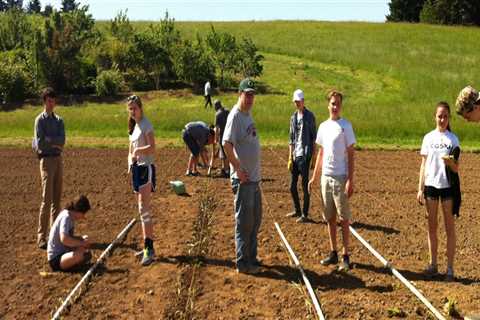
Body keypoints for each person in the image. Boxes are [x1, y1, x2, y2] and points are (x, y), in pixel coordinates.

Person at [308, 90, 355, 272]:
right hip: (325, 177)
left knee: (343, 218)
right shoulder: (323, 127)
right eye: (333, 103)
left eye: (338, 104)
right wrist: (315, 176)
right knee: (329, 217)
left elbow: (351, 154)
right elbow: (321, 152)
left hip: (340, 177)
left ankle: (345, 255)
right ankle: (333, 251)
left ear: (340, 106)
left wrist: (351, 180)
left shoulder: (346, 126)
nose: (335, 107)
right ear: (328, 105)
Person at [416, 102, 460, 282]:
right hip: (431, 186)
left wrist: (451, 163)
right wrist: (420, 188)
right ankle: (433, 264)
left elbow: (456, 168)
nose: (442, 119)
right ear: (435, 117)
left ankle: (450, 269)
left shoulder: (453, 139)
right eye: (439, 116)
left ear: (449, 118)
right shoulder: (428, 138)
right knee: (431, 227)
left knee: (449, 228)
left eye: (445, 116)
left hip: (447, 186)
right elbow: (423, 164)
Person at [223, 78, 262, 274]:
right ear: (240, 94)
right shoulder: (235, 116)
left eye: (252, 95)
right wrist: (237, 168)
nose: (250, 98)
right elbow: (226, 143)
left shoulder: (247, 115)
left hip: (254, 179)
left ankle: (252, 258)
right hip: (244, 180)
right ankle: (243, 262)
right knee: (244, 222)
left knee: (255, 220)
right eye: (247, 95)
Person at [33, 87, 65, 250]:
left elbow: (63, 141)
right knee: (47, 199)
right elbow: (40, 144)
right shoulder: (40, 120)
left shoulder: (59, 121)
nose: (52, 103)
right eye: (49, 100)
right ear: (44, 101)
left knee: (57, 200)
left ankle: (54, 233)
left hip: (58, 160)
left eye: (54, 100)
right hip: (46, 162)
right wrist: (54, 142)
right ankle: (41, 236)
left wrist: (51, 140)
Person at [127, 95, 156, 266]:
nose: (132, 111)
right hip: (137, 169)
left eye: (134, 108)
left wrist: (138, 150)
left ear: (140, 108)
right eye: (130, 109)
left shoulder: (146, 124)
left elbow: (152, 147)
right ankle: (147, 245)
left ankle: (149, 249)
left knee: (144, 208)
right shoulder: (133, 126)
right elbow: (130, 149)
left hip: (146, 168)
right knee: (141, 209)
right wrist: (130, 161)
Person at [286, 89, 317, 223]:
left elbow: (313, 137)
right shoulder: (293, 117)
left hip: (305, 155)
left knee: (304, 186)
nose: (297, 103)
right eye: (295, 101)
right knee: (292, 186)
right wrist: (289, 157)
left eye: (299, 101)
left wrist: (314, 157)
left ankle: (305, 214)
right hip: (295, 155)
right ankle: (297, 210)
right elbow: (291, 139)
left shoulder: (310, 116)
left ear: (303, 101)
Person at [47, 195, 92, 272]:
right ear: (78, 211)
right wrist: (81, 243)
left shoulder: (70, 216)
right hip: (56, 259)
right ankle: (74, 265)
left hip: (64, 251)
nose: (83, 217)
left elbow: (69, 237)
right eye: (83, 213)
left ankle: (75, 262)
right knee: (80, 255)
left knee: (85, 241)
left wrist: (81, 239)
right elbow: (64, 239)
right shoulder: (66, 217)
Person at [208, 100, 230, 178]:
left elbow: (217, 128)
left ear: (216, 107)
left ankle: (227, 171)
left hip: (223, 136)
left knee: (224, 153)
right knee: (228, 151)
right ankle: (225, 168)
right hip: (230, 135)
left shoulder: (218, 114)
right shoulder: (228, 111)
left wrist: (215, 139)